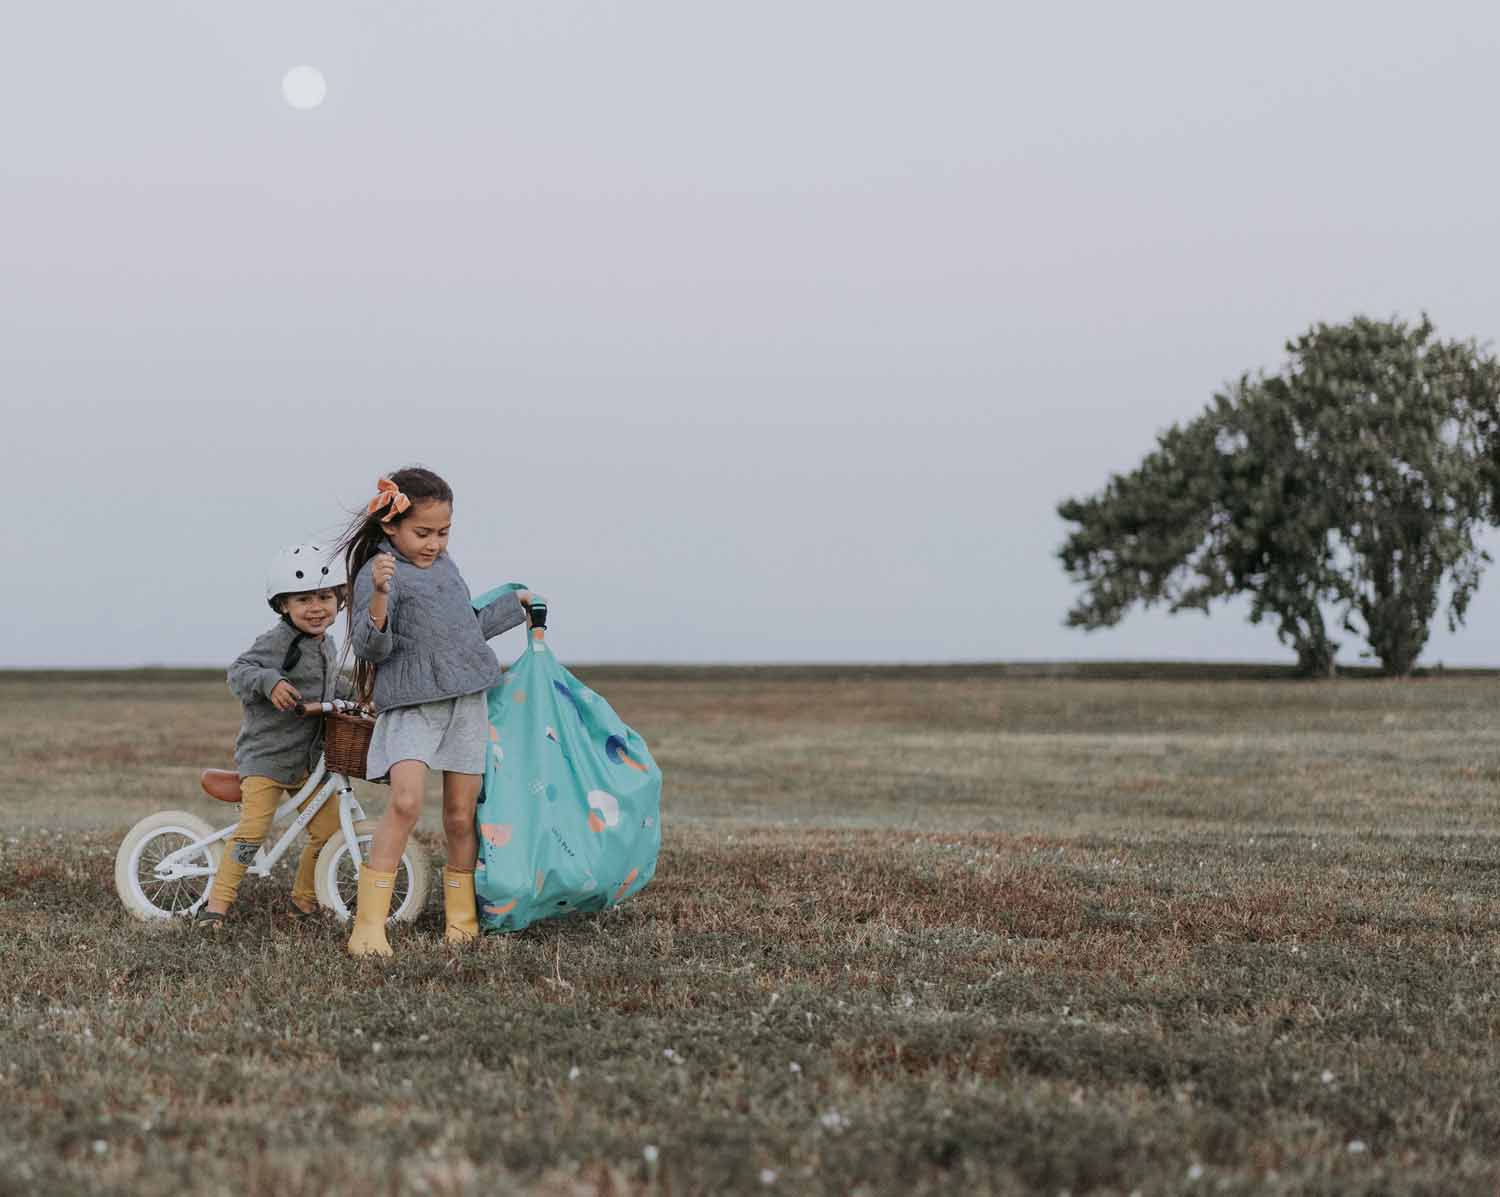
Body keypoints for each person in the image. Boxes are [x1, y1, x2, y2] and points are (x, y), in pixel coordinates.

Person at [338, 467, 538, 957]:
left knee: (459, 814)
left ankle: (462, 920)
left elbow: (462, 632)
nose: (434, 544)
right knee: (405, 804)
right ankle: (368, 927)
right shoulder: (376, 572)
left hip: (466, 701)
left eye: (443, 532)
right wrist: (382, 596)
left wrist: (516, 606)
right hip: (411, 706)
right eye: (422, 533)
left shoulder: (447, 565)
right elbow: (369, 645)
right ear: (391, 526)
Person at [199, 544, 349, 928]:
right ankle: (216, 906)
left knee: (328, 834)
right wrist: (269, 681)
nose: (316, 607)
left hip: (310, 762)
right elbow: (239, 671)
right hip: (266, 757)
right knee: (252, 832)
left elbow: (330, 686)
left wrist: (359, 697)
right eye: (303, 599)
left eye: (325, 597)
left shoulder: (326, 644)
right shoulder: (279, 641)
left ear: (339, 599)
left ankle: (303, 902)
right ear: (284, 605)